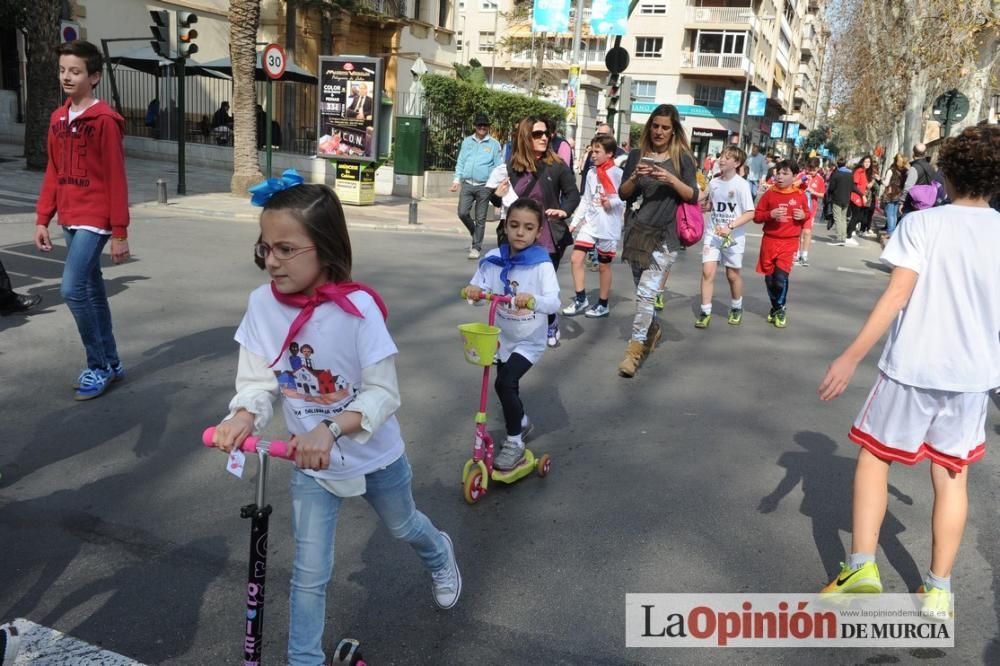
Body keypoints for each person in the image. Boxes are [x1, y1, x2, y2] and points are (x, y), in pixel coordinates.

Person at [212, 172, 461, 665]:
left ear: (324, 249)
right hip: (311, 465)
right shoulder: (262, 305)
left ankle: (440, 554)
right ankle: (303, 659)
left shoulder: (358, 309)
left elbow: (382, 393)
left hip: (374, 456)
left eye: (286, 248)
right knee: (309, 572)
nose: (271, 261)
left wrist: (328, 428)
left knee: (404, 525)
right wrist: (244, 415)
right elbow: (259, 381)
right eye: (265, 247)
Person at [816, 125, 1000, 620]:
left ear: (947, 173)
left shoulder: (922, 225)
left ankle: (862, 566)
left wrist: (851, 355)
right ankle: (938, 590)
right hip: (972, 378)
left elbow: (896, 296)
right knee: (952, 476)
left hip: (913, 368)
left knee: (875, 457)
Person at [34, 40, 129, 401]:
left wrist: (119, 231)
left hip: (96, 218)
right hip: (69, 216)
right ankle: (112, 362)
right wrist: (44, 217)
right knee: (91, 288)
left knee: (71, 289)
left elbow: (116, 178)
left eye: (75, 71)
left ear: (94, 77)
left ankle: (99, 365)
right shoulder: (58, 119)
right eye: (62, 70)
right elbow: (53, 171)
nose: (66, 77)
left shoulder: (104, 121)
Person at [465, 198, 560, 470]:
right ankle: (522, 422)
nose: (520, 232)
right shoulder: (493, 259)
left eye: (528, 227)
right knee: (509, 387)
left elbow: (553, 302)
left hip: (530, 340)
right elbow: (479, 291)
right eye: (515, 225)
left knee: (504, 383)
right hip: (502, 339)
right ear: (505, 226)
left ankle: (515, 441)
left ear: (538, 232)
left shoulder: (541, 264)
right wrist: (473, 293)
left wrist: (533, 300)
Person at [616, 104, 698, 378]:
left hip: (665, 236)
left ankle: (633, 351)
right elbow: (623, 193)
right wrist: (636, 176)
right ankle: (651, 329)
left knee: (646, 294)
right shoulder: (638, 155)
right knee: (642, 292)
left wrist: (671, 179)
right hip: (637, 232)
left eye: (665, 127)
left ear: (673, 131)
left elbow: (693, 195)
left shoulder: (682, 158)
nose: (659, 131)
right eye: (655, 126)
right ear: (649, 126)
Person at [489, 116, 580, 348]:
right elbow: (495, 200)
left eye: (546, 133)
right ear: (525, 137)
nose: (544, 138)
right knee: (520, 283)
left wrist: (563, 210)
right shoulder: (510, 167)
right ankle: (522, 325)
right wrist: (496, 194)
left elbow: (573, 194)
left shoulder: (557, 165)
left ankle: (550, 320)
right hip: (517, 237)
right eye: (537, 134)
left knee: (541, 286)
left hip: (548, 236)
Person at [562, 135, 624, 319]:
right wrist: (573, 224)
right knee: (575, 258)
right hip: (590, 224)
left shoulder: (618, 174)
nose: (593, 155)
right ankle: (581, 299)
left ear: (610, 153)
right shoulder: (591, 173)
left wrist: (611, 202)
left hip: (608, 227)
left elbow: (625, 199)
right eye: (592, 151)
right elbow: (586, 201)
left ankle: (603, 304)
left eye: (597, 152)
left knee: (604, 267)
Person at [695, 145, 754, 328]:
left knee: (732, 275)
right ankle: (705, 311)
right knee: (707, 271)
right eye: (721, 156)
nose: (722, 159)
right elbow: (712, 204)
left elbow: (750, 213)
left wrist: (730, 226)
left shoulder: (742, 185)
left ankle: (736, 307)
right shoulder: (714, 182)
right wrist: (706, 207)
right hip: (713, 234)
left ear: (737, 163)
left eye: (727, 158)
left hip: (733, 236)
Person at [753, 159, 810, 328]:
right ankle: (776, 307)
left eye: (785, 173)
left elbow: (806, 213)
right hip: (769, 241)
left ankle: (780, 309)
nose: (780, 176)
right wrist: (770, 214)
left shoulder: (799, 195)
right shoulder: (769, 194)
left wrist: (803, 216)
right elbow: (757, 216)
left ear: (794, 176)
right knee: (769, 279)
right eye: (778, 172)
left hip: (789, 242)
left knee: (780, 278)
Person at [450, 113, 503, 260]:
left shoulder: (494, 144)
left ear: (488, 127)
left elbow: (498, 166)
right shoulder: (467, 142)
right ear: (475, 126)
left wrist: (495, 184)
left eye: (485, 125)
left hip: (484, 186)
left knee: (481, 218)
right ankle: (475, 232)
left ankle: (476, 247)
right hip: (467, 183)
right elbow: (461, 161)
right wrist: (456, 180)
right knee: (462, 213)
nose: (482, 128)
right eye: (479, 125)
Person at [826, 157, 864, 246]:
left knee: (837, 218)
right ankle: (843, 237)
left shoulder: (836, 174)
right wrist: (861, 194)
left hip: (837, 199)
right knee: (843, 218)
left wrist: (829, 195)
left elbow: (831, 188)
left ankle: (839, 237)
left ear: (837, 164)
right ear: (845, 164)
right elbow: (853, 187)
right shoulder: (850, 174)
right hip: (846, 199)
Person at [796, 156, 826, 266]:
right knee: (798, 232)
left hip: (810, 209)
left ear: (818, 168)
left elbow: (823, 194)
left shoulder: (820, 179)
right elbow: (793, 185)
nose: (811, 171)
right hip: (798, 208)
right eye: (810, 168)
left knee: (807, 232)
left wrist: (813, 192)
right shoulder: (802, 175)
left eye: (814, 169)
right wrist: (803, 179)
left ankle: (804, 255)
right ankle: (797, 253)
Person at [902, 142, 939, 214]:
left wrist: (902, 201)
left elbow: (908, 186)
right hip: (929, 203)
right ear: (925, 153)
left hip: (914, 204)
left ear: (913, 154)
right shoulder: (931, 167)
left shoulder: (914, 168)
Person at [881, 153, 908, 237]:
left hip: (891, 194)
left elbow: (886, 183)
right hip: (900, 194)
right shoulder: (905, 171)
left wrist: (880, 179)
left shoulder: (891, 170)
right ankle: (893, 231)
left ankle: (890, 232)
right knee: (894, 214)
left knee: (890, 214)